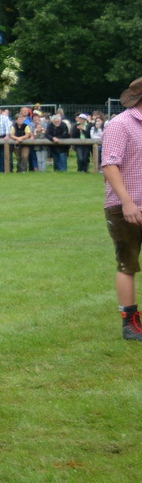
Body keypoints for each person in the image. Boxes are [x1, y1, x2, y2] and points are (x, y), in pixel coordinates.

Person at [101, 78, 142, 341]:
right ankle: (130, 322)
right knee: (128, 263)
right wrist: (127, 202)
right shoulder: (120, 124)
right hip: (126, 205)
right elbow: (109, 165)